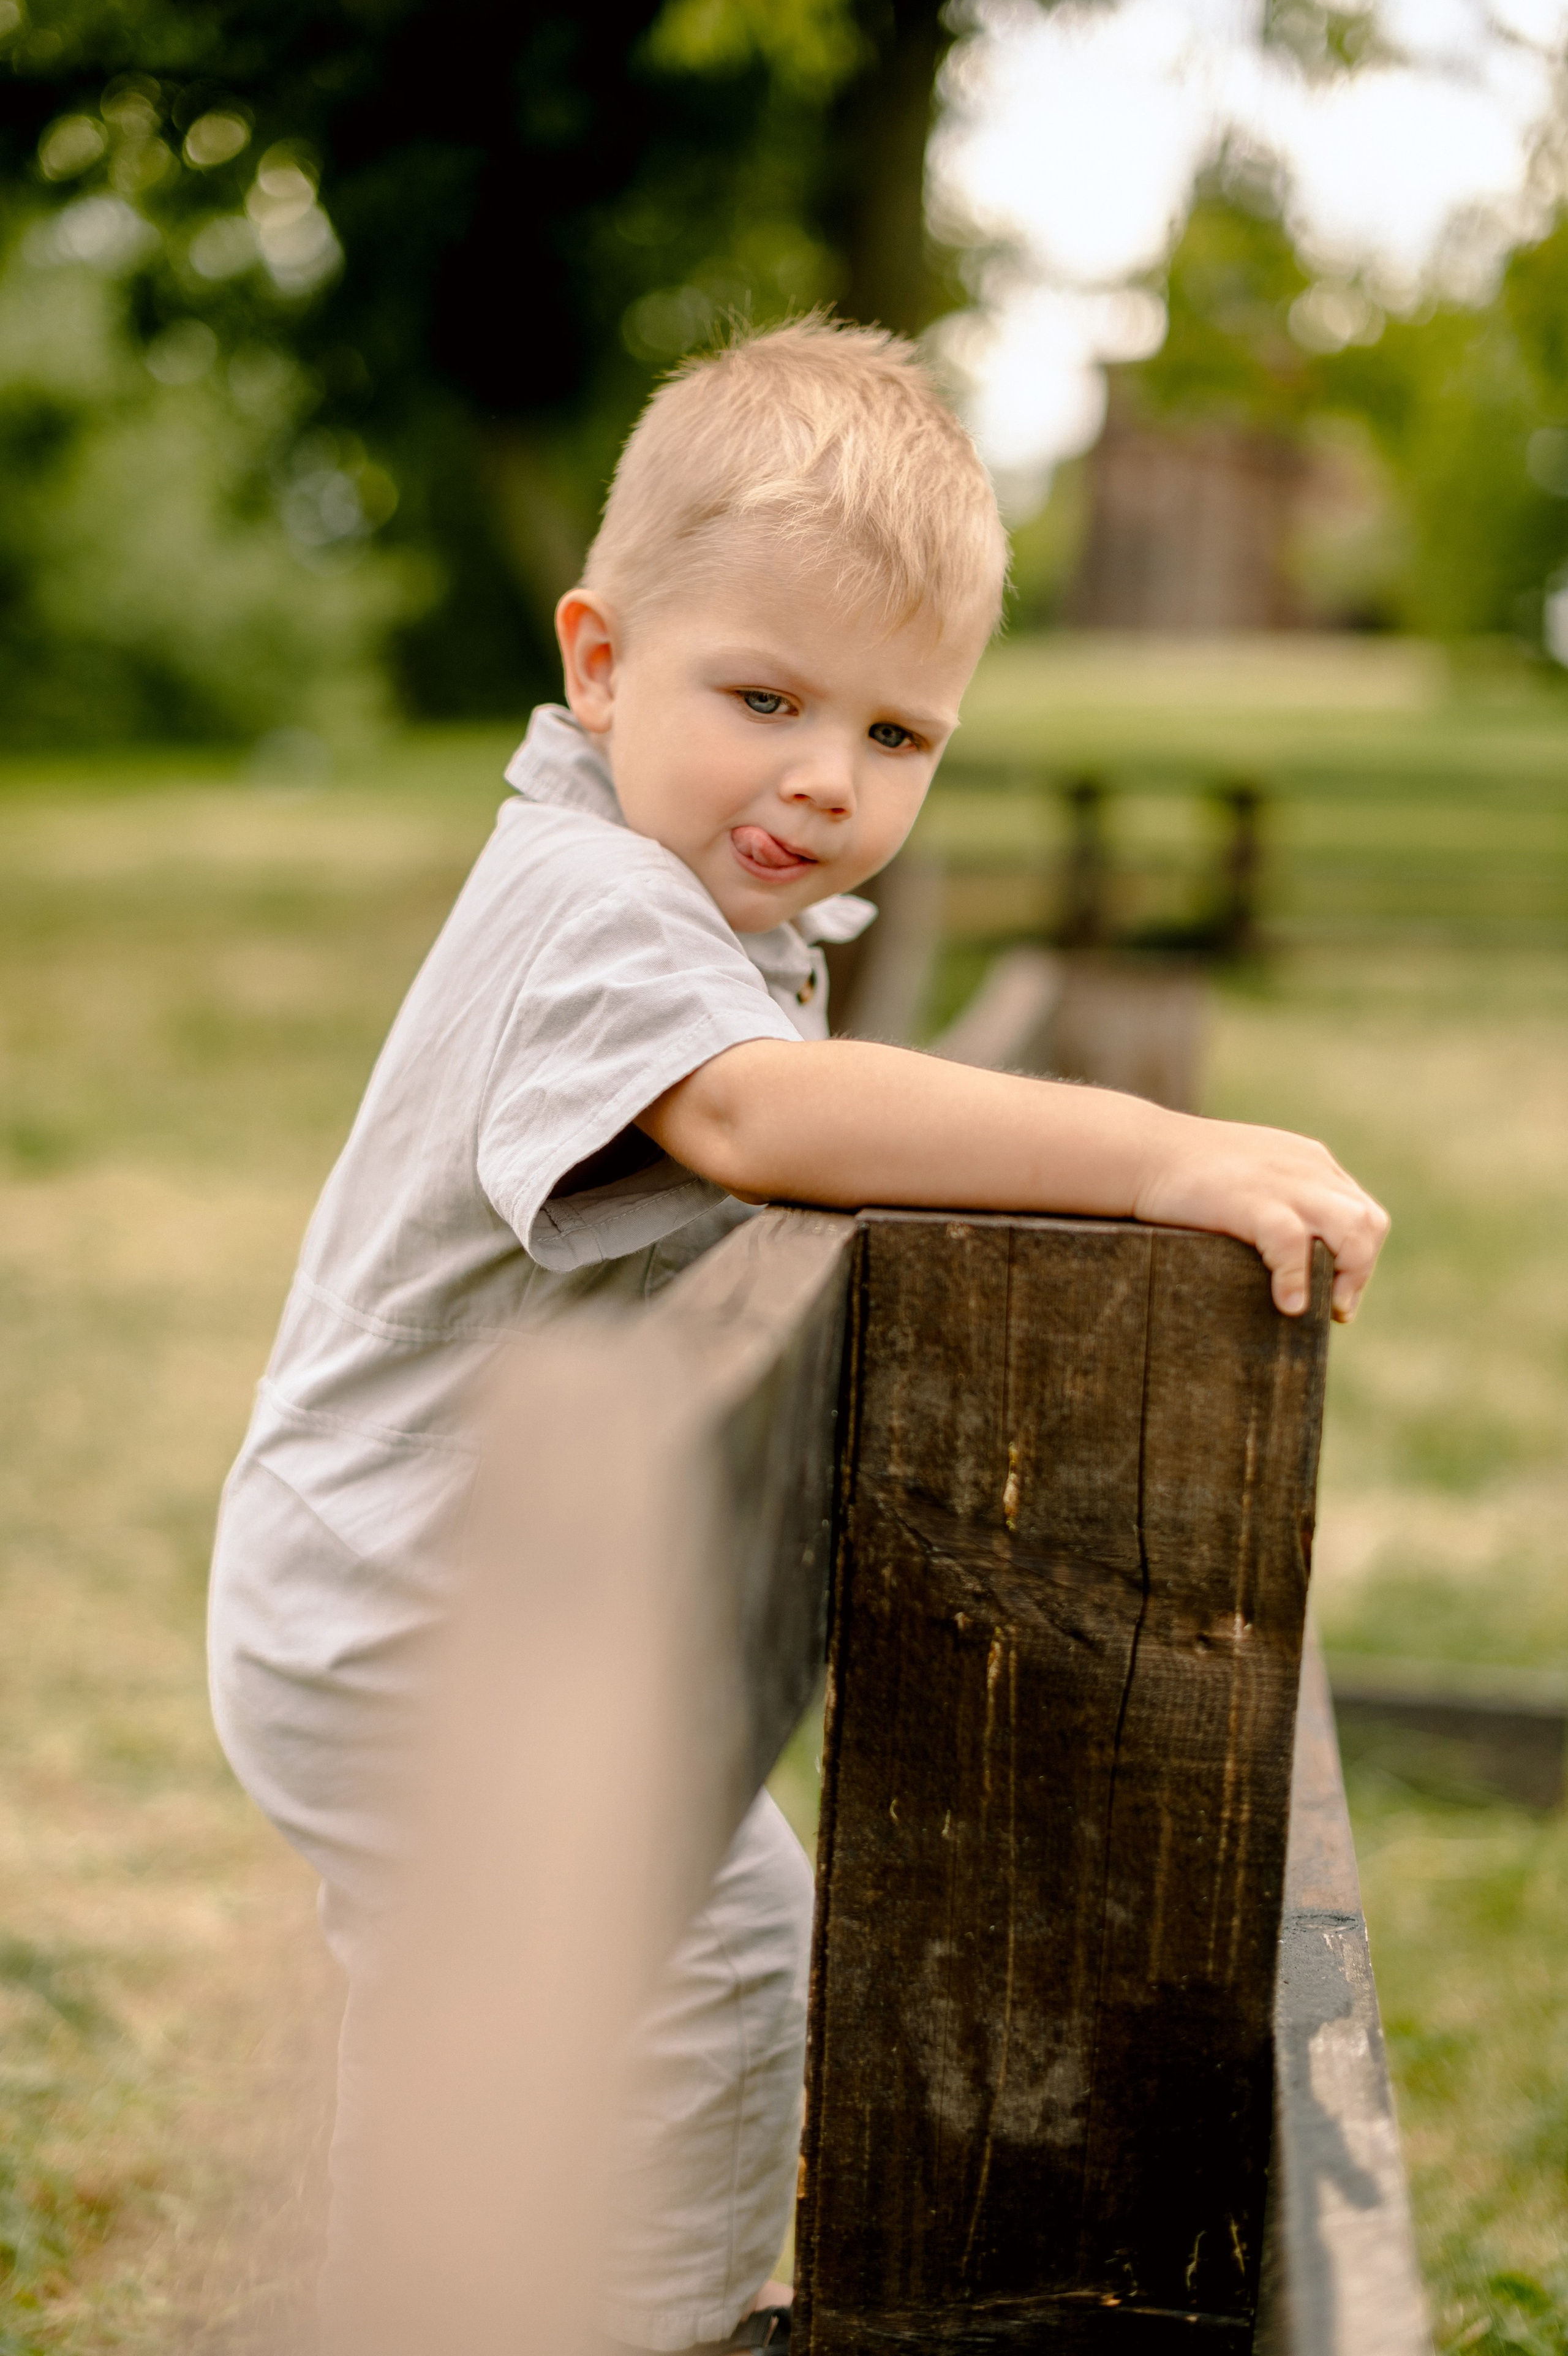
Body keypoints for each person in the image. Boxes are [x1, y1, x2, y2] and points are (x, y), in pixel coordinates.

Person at [208, 317, 1387, 2354]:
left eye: (898, 736)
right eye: (762, 697)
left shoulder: (683, 901)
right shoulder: (591, 904)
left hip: (431, 1578)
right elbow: (754, 1119)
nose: (825, 780)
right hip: (406, 1609)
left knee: (515, 1999)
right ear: (599, 661)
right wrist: (1156, 1154)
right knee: (722, 1960)